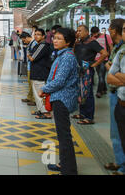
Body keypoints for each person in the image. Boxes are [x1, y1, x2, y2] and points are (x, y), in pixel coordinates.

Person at [38, 28, 79, 175]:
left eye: (59, 39)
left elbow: (60, 81)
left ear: (68, 42)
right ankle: (65, 164)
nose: (55, 41)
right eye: (54, 38)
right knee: (62, 134)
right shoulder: (62, 55)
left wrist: (44, 88)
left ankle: (69, 170)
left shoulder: (67, 57)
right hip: (60, 98)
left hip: (62, 99)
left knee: (64, 135)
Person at [72, 24, 109, 125]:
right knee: (80, 92)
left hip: (87, 71)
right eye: (77, 30)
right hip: (79, 70)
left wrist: (95, 64)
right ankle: (82, 113)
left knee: (87, 93)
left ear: (87, 32)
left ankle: (89, 117)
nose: (78, 32)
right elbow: (73, 52)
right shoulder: (79, 43)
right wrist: (75, 43)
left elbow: (105, 53)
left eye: (80, 31)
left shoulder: (92, 42)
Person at [106, 20, 125, 175]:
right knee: (116, 132)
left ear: (113, 31)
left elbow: (112, 72)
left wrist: (114, 72)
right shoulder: (119, 49)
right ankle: (120, 162)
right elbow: (110, 77)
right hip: (117, 95)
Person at [27, 28, 52, 119]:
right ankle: (40, 110)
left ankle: (45, 112)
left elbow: (32, 58)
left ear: (43, 36)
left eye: (38, 34)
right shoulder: (38, 45)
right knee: (37, 93)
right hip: (37, 72)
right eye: (35, 34)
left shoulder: (43, 45)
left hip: (40, 73)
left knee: (40, 93)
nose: (36, 36)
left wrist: (29, 55)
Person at [90, 26, 113, 98]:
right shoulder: (92, 38)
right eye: (93, 34)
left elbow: (111, 47)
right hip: (96, 60)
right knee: (101, 75)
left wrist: (111, 58)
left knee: (101, 75)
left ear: (98, 31)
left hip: (104, 59)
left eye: (95, 34)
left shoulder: (106, 36)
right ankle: (104, 88)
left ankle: (99, 91)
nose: (94, 35)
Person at [19, 32, 35, 106]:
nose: (24, 42)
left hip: (32, 66)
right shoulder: (31, 43)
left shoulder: (34, 44)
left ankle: (33, 99)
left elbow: (33, 56)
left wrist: (28, 56)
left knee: (32, 83)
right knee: (30, 83)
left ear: (27, 37)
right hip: (30, 66)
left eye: (24, 40)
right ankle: (30, 97)